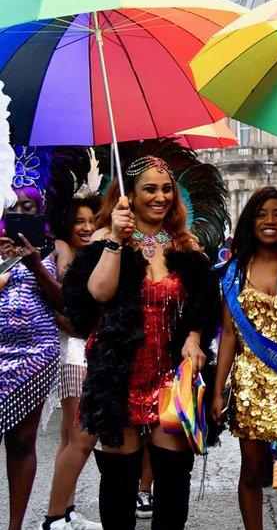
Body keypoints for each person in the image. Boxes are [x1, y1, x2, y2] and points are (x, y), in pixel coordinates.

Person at [62, 155, 221, 530]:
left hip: (171, 376)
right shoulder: (105, 239)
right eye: (149, 189)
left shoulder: (184, 243)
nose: (160, 197)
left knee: (173, 476)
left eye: (167, 189)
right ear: (128, 195)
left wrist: (195, 337)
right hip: (119, 374)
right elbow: (98, 294)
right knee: (118, 480)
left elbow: (204, 302)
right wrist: (117, 237)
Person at [211, 187, 277, 530]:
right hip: (250, 383)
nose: (270, 221)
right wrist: (217, 391)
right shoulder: (233, 273)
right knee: (254, 471)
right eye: (262, 214)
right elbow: (229, 333)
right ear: (249, 221)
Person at [0, 147, 63, 530]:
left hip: (35, 355)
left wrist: (34, 263)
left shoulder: (52, 249)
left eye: (30, 207)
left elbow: (63, 303)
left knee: (22, 442)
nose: (21, 213)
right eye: (15, 206)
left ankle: (15, 526)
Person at [43, 194, 103, 530]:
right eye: (79, 221)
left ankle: (64, 512)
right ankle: (54, 517)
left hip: (84, 352)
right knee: (83, 436)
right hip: (75, 353)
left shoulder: (95, 254)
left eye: (91, 220)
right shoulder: (65, 252)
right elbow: (64, 308)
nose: (86, 227)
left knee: (70, 437)